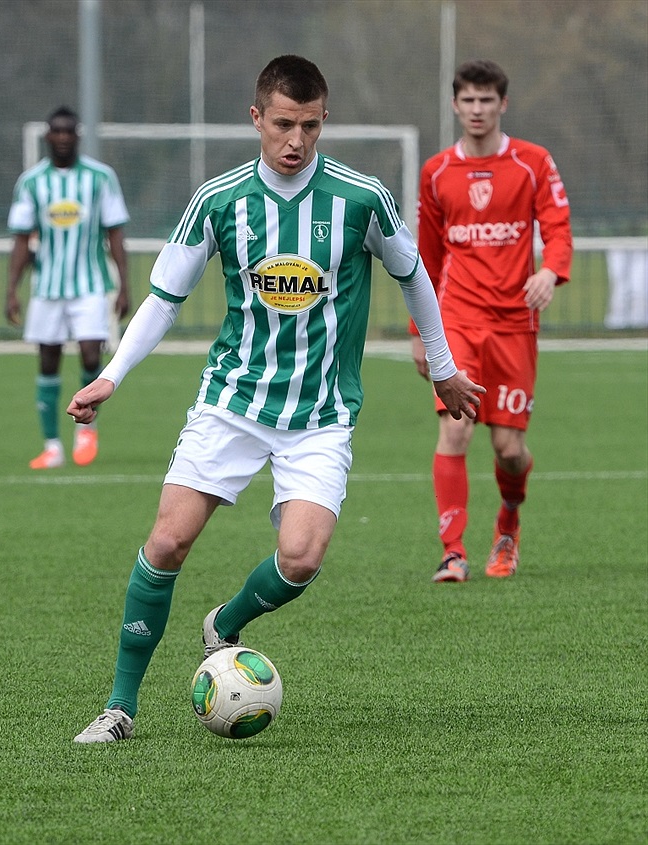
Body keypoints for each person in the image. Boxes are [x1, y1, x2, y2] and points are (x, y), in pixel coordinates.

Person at [66, 55, 484, 743]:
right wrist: (113, 373)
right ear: (256, 118)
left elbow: (416, 277)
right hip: (232, 400)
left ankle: (224, 624)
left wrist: (442, 366)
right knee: (167, 540)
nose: (296, 141)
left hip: (320, 414)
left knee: (301, 558)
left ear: (325, 122)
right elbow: (164, 300)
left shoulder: (360, 198)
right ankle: (119, 706)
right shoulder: (219, 199)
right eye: (283, 124)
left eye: (310, 126)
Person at [409, 59, 573, 583]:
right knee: (455, 431)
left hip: (514, 323)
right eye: (468, 100)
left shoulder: (533, 162)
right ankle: (452, 551)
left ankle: (508, 524)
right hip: (456, 317)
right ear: (455, 105)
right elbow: (425, 259)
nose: (477, 110)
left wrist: (551, 271)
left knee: (509, 450)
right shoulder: (435, 172)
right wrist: (420, 335)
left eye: (487, 100)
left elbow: (559, 228)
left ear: (503, 104)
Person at [6, 106, 130, 469]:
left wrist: (124, 286)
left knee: (92, 354)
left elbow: (116, 233)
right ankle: (51, 446)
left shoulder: (100, 178)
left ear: (77, 136)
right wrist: (12, 289)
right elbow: (20, 240)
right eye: (56, 132)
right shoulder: (31, 182)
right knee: (48, 361)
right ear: (48, 137)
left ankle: (86, 431)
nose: (62, 138)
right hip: (47, 287)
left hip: (90, 284)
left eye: (68, 132)